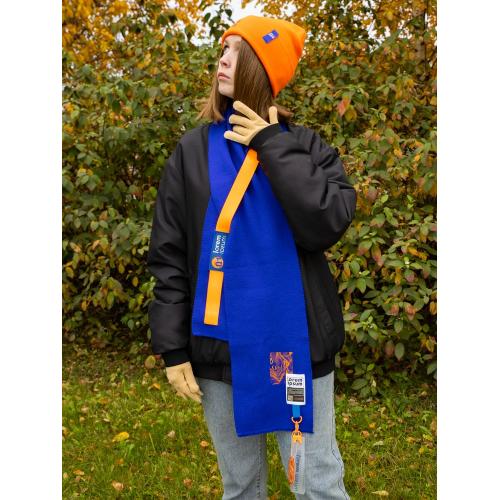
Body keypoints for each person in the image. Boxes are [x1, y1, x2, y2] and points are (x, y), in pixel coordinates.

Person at [147, 15, 356, 499]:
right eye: (223, 50)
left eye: (238, 53)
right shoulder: (192, 152)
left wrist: (271, 143)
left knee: (317, 483)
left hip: (295, 347)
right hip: (219, 349)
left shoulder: (306, 147)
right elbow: (169, 253)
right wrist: (172, 348)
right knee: (240, 486)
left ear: (263, 70)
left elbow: (325, 222)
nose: (222, 60)